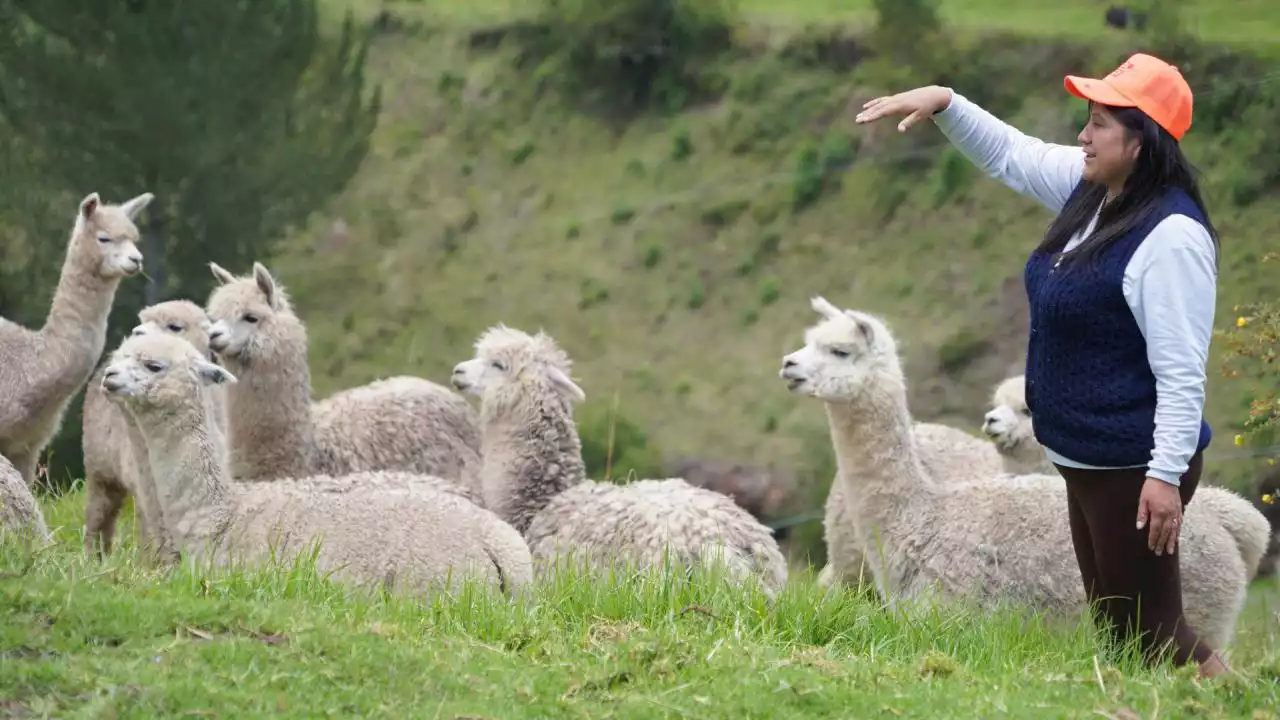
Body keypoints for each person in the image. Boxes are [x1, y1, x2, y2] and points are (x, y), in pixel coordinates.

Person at [853, 53, 1229, 677]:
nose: (1083, 135)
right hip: (1084, 461)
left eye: (1100, 123)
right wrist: (947, 101)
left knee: (1157, 631)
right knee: (1117, 627)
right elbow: (1012, 154)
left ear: (1142, 142)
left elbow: (1182, 371)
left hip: (1132, 467)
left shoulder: (1171, 238)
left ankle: (1240, 705)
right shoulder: (1096, 193)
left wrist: (1163, 478)